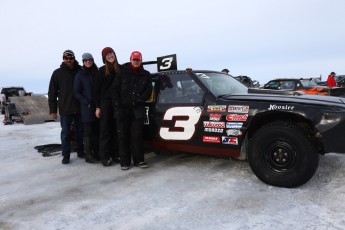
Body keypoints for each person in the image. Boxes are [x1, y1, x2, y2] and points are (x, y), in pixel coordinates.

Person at [112, 51, 152, 170]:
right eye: (134, 59)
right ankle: (125, 162)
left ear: (141, 60)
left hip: (137, 109)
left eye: (138, 59)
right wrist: (117, 106)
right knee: (123, 136)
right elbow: (114, 90)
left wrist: (140, 99)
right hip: (122, 110)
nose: (136, 61)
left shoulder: (146, 74)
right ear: (130, 59)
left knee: (137, 136)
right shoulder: (122, 73)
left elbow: (149, 90)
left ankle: (139, 160)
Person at [48, 50, 83, 164]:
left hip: (80, 108)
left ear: (74, 58)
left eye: (70, 58)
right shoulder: (57, 73)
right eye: (66, 58)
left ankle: (81, 151)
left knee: (80, 132)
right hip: (65, 108)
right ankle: (66, 155)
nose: (68, 60)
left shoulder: (81, 70)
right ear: (63, 59)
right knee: (66, 133)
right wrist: (53, 110)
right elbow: (52, 93)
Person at [94, 47, 121, 166]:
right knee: (105, 130)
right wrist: (97, 107)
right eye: (107, 55)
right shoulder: (101, 71)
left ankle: (116, 155)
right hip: (105, 103)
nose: (110, 56)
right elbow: (96, 91)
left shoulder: (121, 69)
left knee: (117, 130)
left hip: (118, 103)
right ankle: (105, 157)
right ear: (104, 58)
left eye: (111, 54)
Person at [73, 53, 99, 163]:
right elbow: (76, 92)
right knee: (88, 133)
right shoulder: (80, 75)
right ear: (83, 62)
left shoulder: (97, 72)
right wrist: (86, 101)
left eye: (90, 60)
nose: (88, 61)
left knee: (96, 132)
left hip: (97, 107)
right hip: (87, 108)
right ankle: (88, 155)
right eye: (85, 60)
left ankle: (97, 153)